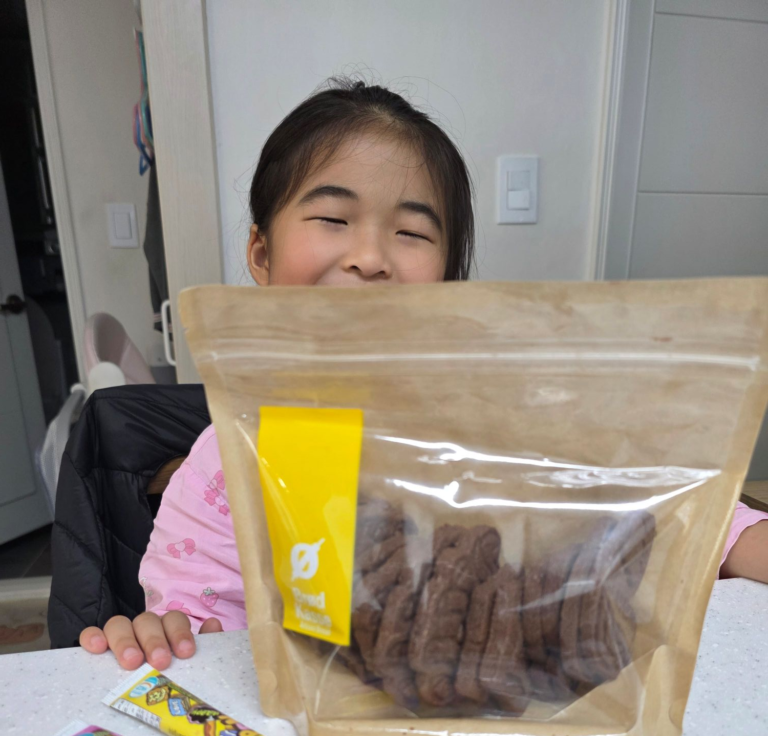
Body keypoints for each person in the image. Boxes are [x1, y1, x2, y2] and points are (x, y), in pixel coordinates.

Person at [79, 80, 768, 671]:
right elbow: (204, 642)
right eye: (332, 217)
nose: (371, 256)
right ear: (261, 251)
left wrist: (736, 540)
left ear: (446, 277)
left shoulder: (495, 417)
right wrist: (161, 638)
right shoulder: (228, 467)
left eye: (411, 233)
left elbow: (644, 501)